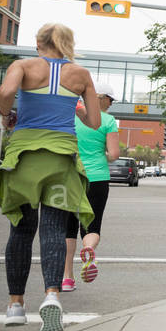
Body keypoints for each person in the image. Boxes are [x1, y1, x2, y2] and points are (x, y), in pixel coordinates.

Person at [0, 23, 101, 331]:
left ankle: (15, 304)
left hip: (25, 157)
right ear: (67, 44)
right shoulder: (80, 75)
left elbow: (7, 92)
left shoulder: (23, 66)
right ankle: (52, 295)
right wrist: (74, 106)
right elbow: (94, 122)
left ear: (38, 43)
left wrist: (5, 113)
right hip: (61, 159)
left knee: (22, 229)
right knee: (53, 229)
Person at [63, 80, 120, 290]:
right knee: (92, 226)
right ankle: (88, 248)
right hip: (97, 178)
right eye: (111, 99)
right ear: (101, 98)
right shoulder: (108, 120)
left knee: (68, 227)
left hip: (70, 176)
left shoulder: (71, 116)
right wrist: (100, 154)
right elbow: (114, 154)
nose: (112, 103)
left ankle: (67, 278)